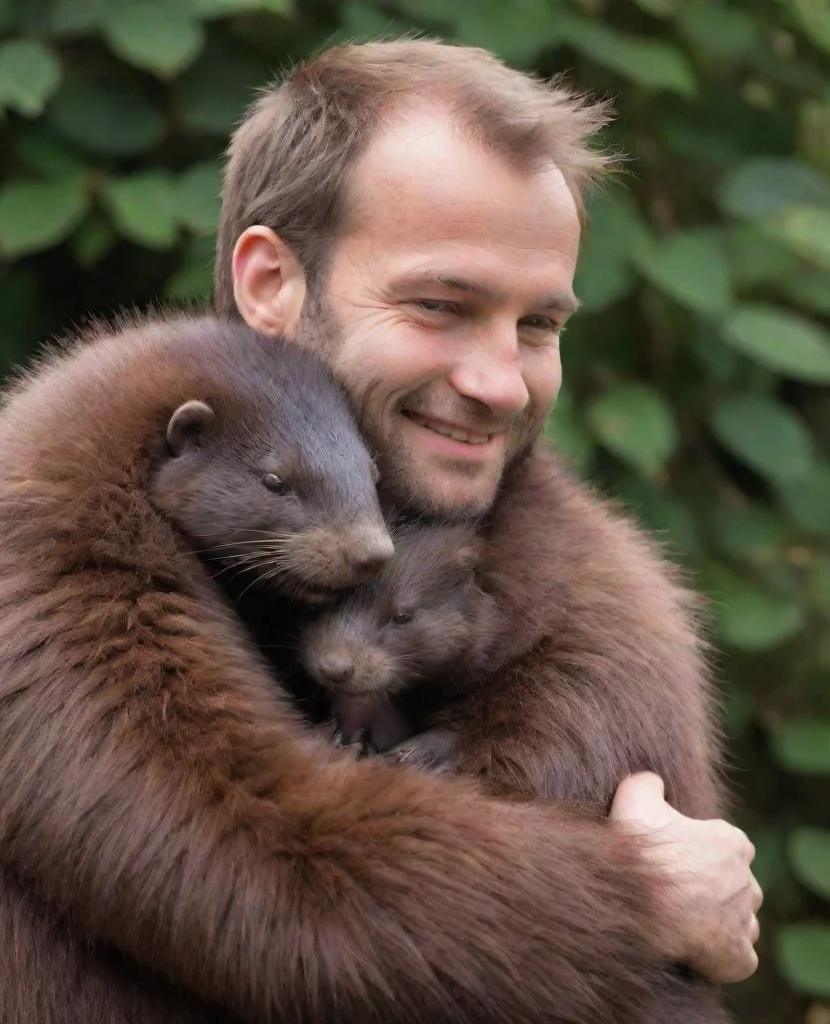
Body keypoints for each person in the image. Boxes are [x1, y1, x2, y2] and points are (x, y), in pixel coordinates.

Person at [212, 37, 762, 987]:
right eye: (439, 304)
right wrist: (642, 893)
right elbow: (236, 902)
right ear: (271, 285)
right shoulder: (91, 531)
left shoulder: (593, 614)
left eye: (539, 325)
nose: (502, 383)